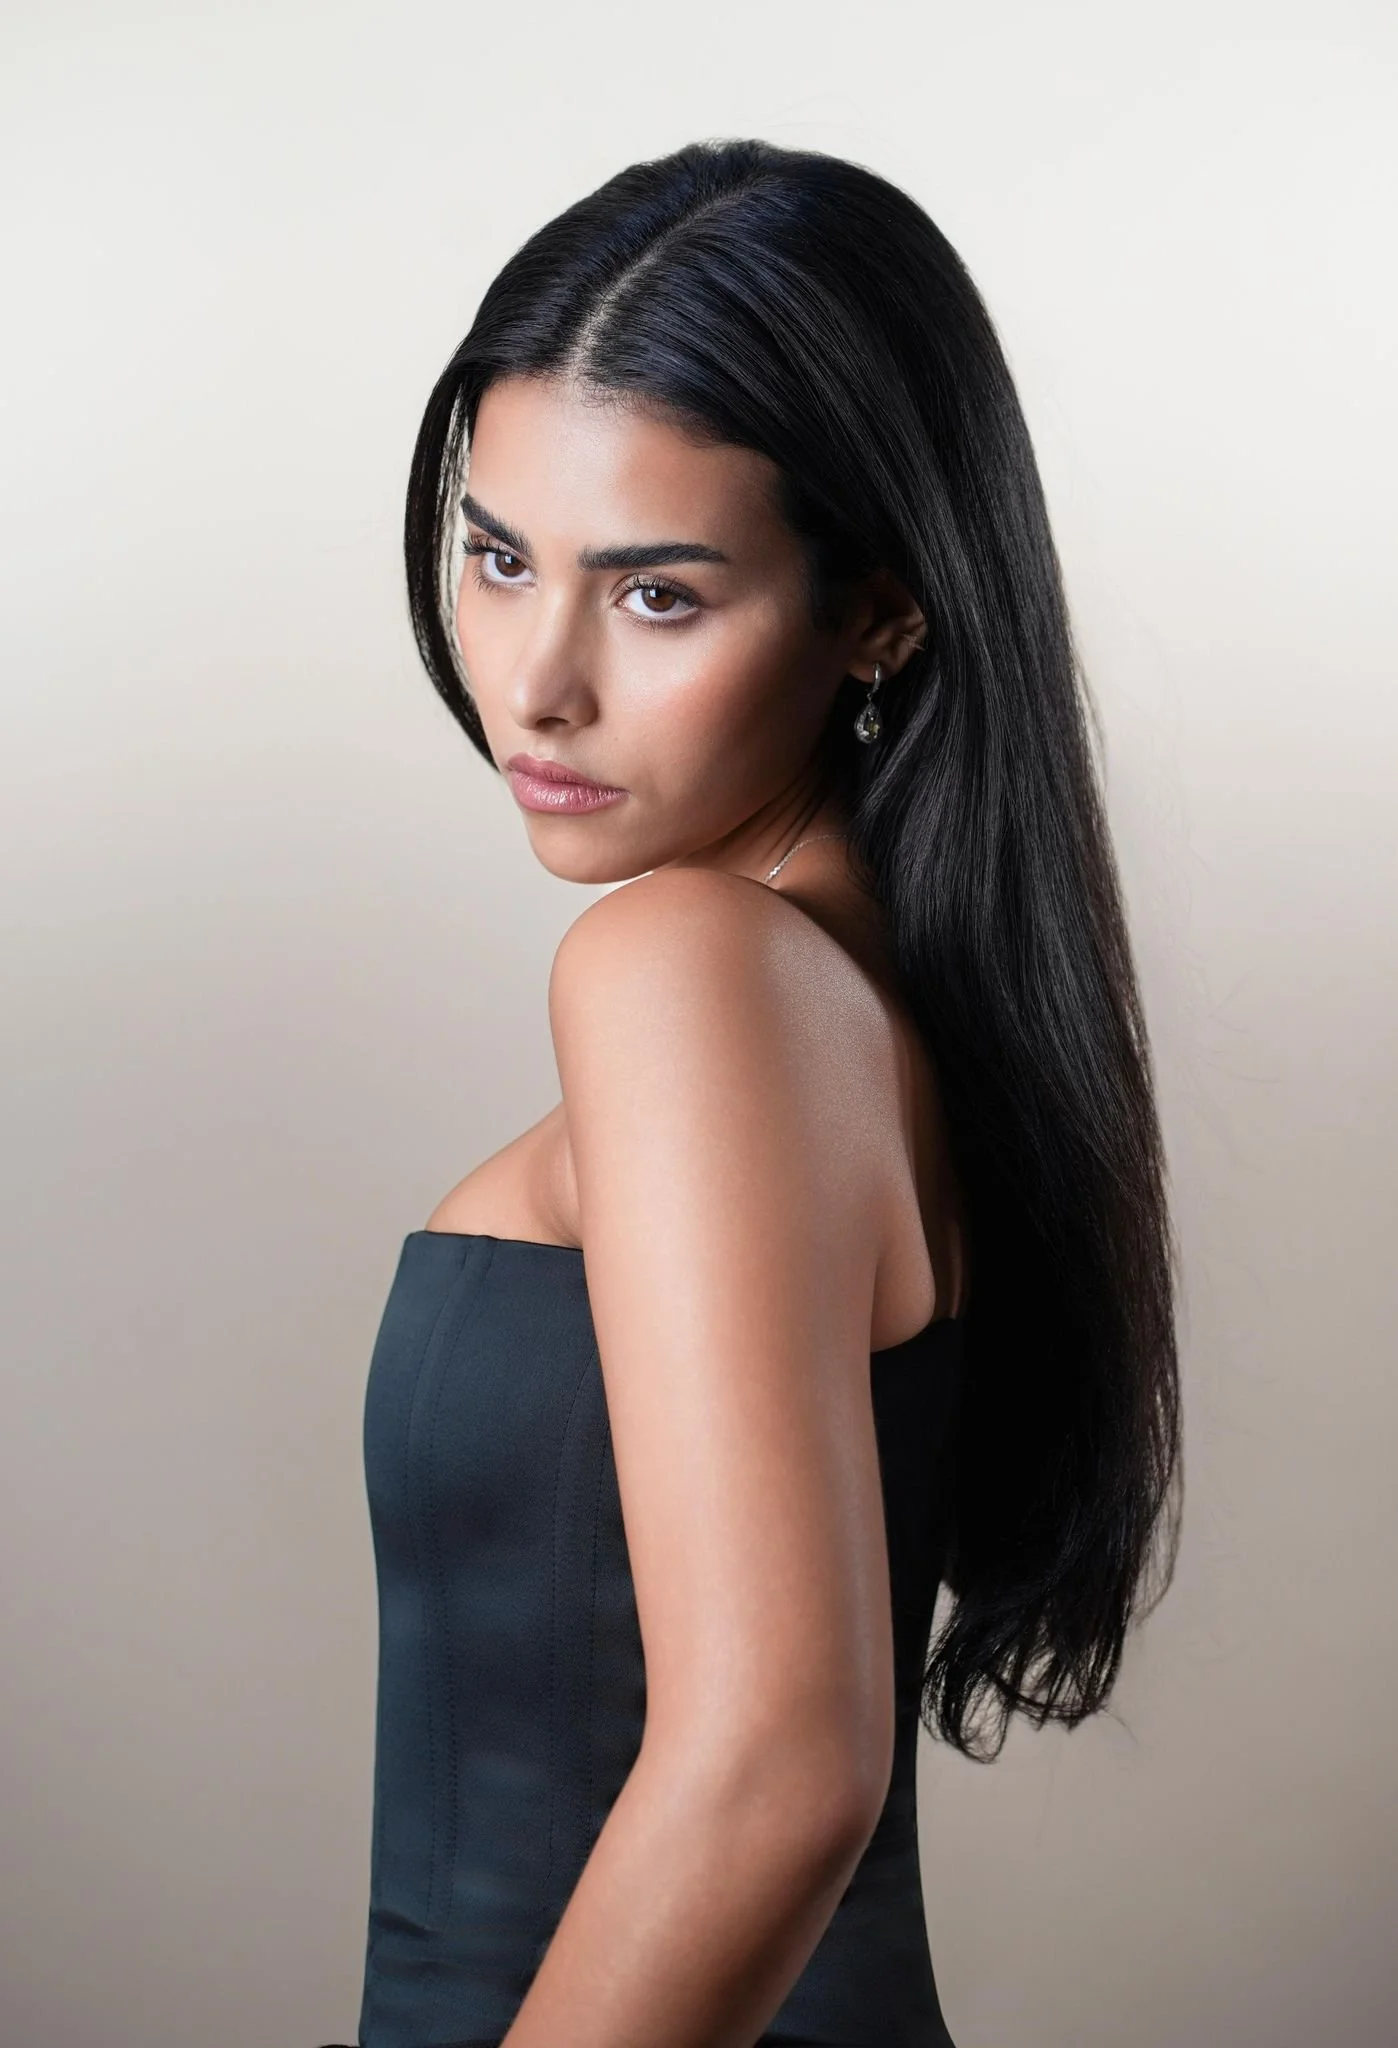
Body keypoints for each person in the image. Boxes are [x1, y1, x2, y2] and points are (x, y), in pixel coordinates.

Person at [333, 137, 1182, 2048]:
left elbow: (779, 1768)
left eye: (653, 597)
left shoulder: (691, 971)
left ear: (879, 610)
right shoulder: (875, 1007)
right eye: (496, 556)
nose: (531, 684)